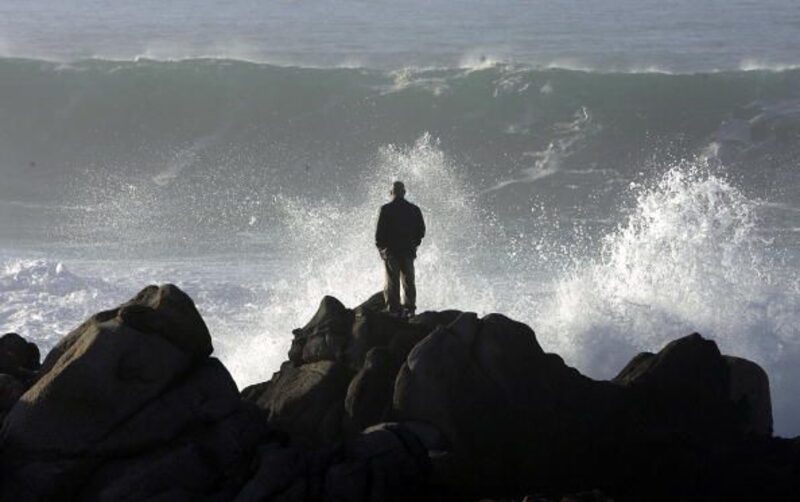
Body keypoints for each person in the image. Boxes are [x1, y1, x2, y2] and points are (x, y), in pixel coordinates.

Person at [375, 181, 426, 318]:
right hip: (408, 251)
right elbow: (421, 231)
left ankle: (393, 309)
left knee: (392, 280)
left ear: (391, 193)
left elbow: (379, 235)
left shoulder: (386, 209)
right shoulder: (414, 209)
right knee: (409, 280)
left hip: (391, 252)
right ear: (404, 192)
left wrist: (383, 250)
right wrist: (414, 244)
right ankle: (410, 310)